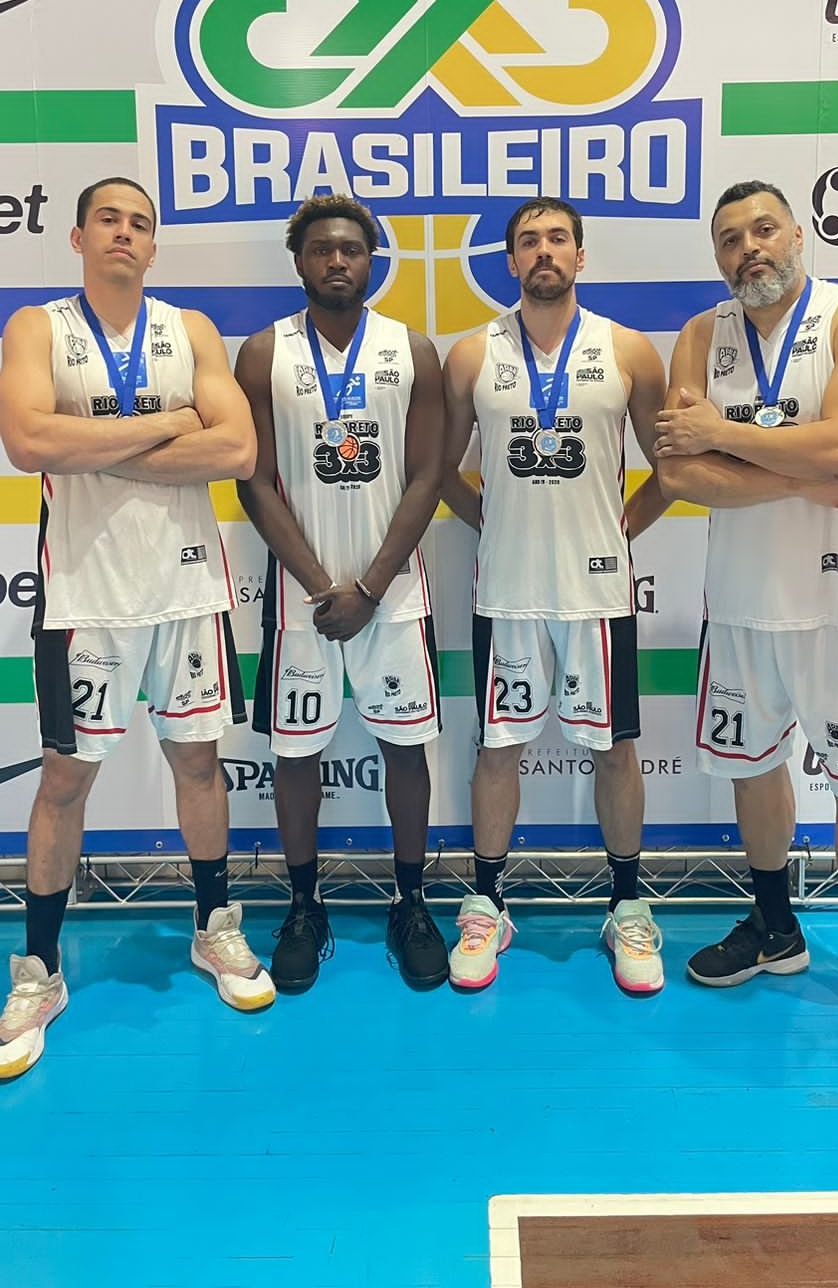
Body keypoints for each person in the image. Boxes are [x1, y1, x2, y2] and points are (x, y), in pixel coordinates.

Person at [0, 177, 274, 1081]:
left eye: (140, 223)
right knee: (63, 784)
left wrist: (91, 438)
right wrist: (170, 424)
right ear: (78, 238)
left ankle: (214, 926)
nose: (125, 232)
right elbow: (29, 444)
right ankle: (39, 970)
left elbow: (236, 449)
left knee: (199, 765)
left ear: (154, 246)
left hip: (187, 589)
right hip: (84, 595)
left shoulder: (190, 330)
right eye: (109, 219)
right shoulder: (38, 328)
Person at [655, 178, 838, 1074]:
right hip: (738, 602)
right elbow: (678, 473)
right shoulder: (699, 335)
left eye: (763, 230)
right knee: (754, 774)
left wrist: (725, 432)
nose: (748, 248)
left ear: (797, 234)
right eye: (729, 239)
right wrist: (801, 475)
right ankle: (775, 926)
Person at [441, 197, 669, 995]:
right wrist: (492, 521)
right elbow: (439, 471)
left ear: (580, 254)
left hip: (597, 593)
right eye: (529, 241)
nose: (544, 251)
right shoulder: (472, 354)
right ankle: (488, 904)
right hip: (507, 590)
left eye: (558, 239)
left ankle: (627, 906)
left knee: (615, 748)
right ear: (510, 261)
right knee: (498, 748)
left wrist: (619, 527)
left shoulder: (627, 349)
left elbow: (669, 468)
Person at [235, 193, 448, 993]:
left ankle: (411, 902)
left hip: (393, 594)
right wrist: (325, 586)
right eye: (321, 249)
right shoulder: (263, 353)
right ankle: (303, 906)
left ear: (371, 262)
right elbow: (255, 482)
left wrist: (370, 585)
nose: (336, 261)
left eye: (350, 250)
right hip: (302, 598)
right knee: (296, 753)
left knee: (405, 747)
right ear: (299, 261)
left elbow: (428, 475)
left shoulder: (411, 350)